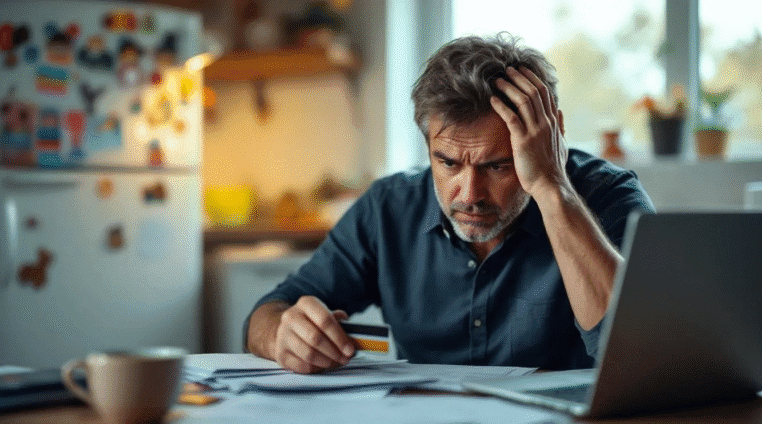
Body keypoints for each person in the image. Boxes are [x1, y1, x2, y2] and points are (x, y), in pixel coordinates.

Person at [244, 33, 655, 374]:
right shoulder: (388, 209)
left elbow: (642, 352)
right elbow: (265, 315)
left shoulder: (609, 198)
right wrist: (285, 333)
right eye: (448, 162)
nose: (469, 194)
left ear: (550, 139)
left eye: (498, 166)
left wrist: (552, 187)